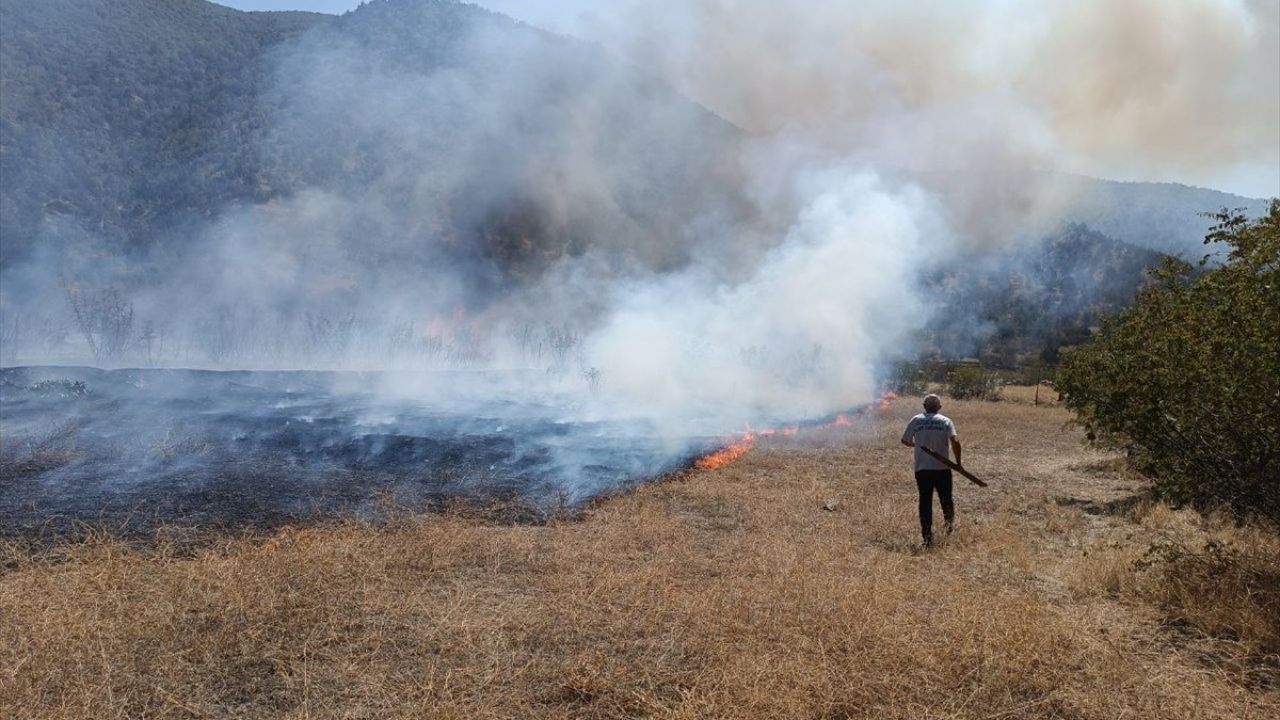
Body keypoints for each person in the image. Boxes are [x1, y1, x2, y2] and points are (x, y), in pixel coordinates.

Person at [900, 394, 961, 547]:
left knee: (925, 501)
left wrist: (917, 445)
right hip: (942, 468)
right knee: (946, 499)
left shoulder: (916, 420)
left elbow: (905, 440)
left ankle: (927, 538)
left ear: (924, 406)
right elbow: (955, 441)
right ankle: (948, 529)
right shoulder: (946, 421)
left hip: (923, 469)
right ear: (939, 407)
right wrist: (958, 463)